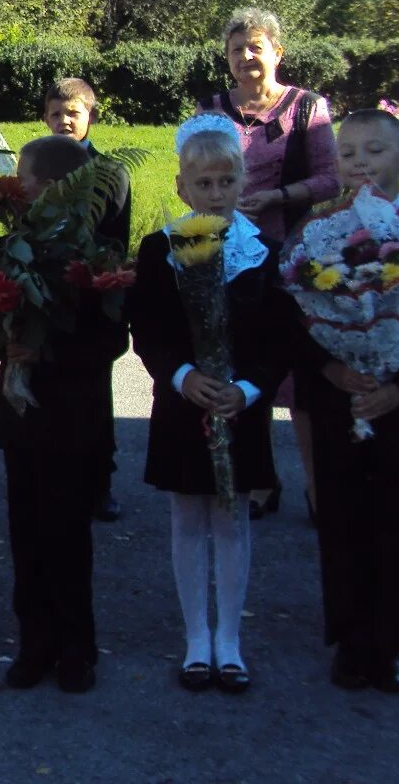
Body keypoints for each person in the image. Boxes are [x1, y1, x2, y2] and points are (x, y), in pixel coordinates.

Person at [128, 116, 283, 695]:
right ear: (182, 187)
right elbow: (147, 327)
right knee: (188, 517)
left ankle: (230, 642)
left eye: (226, 182)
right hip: (183, 404)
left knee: (233, 517)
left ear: (241, 183)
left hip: (241, 407)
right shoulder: (160, 249)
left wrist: (245, 390)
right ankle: (197, 638)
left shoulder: (262, 251)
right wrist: (184, 375)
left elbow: (276, 338)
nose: (215, 194)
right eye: (204, 184)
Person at [282, 109, 399, 693]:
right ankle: (348, 639)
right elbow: (293, 317)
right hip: (337, 397)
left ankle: (389, 644)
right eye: (348, 153)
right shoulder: (314, 238)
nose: (360, 162)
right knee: (341, 521)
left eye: (374, 151)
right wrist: (332, 365)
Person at [0, 136, 130, 694]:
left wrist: (47, 352)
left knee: (67, 532)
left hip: (71, 414)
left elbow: (111, 341)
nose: (17, 185)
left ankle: (77, 647)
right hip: (22, 413)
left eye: (25, 176)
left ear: (52, 188)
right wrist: (5, 343)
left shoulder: (95, 253)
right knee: (25, 531)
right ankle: (33, 642)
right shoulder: (14, 241)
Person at [196, 7, 339, 521]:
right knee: (242, 362)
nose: (246, 56)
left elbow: (331, 179)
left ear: (278, 52)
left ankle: (318, 489)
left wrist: (279, 196)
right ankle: (259, 479)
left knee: (300, 374)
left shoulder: (307, 108)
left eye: (256, 46)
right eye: (236, 49)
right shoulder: (210, 109)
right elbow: (189, 171)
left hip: (295, 253)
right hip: (230, 255)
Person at [42, 77, 132, 522]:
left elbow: (115, 238)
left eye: (73, 114)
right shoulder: (35, 167)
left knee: (94, 398)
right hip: (46, 299)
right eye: (56, 114)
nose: (64, 122)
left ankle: (100, 482)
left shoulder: (111, 173)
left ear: (91, 118)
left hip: (93, 301)